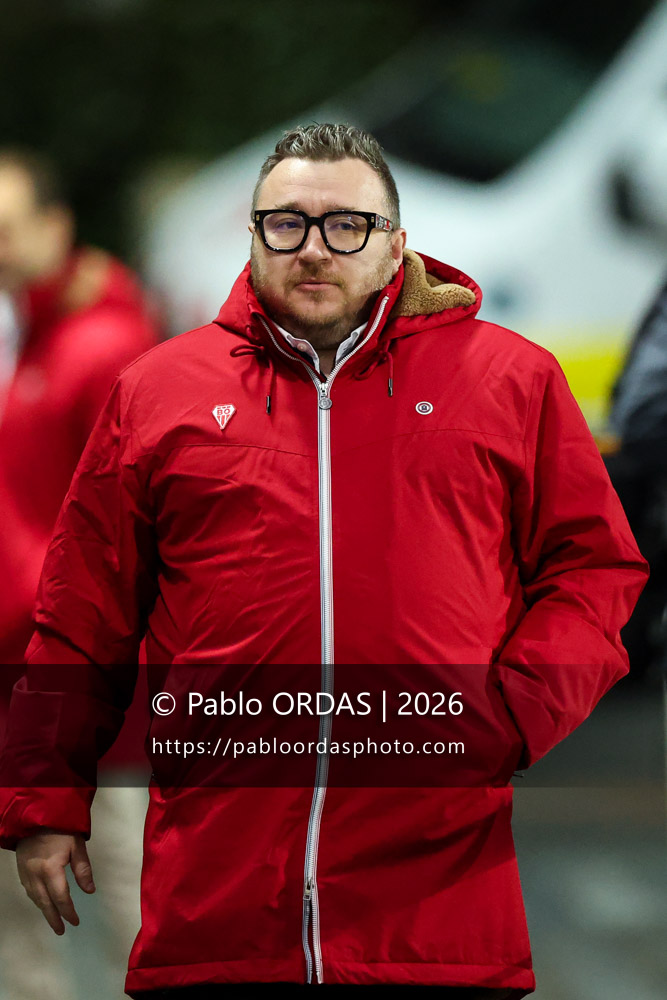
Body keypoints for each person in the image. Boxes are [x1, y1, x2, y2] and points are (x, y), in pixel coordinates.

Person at [0, 125, 648, 1000]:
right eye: (285, 224)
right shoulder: (158, 392)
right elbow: (85, 611)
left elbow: (592, 569)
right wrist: (46, 794)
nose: (313, 248)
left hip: (431, 905)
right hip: (218, 895)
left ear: (396, 245)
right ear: (254, 236)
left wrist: (512, 714)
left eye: (346, 225)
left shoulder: (509, 381)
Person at [0, 147, 158, 999]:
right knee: (20, 915)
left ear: (54, 229)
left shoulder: (103, 349)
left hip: (88, 685)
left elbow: (134, 525)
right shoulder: (16, 334)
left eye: (4, 229)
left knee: (126, 892)